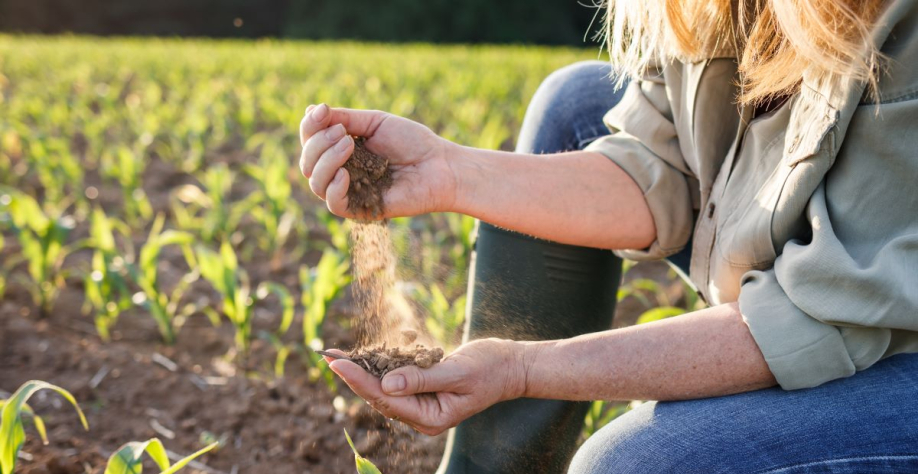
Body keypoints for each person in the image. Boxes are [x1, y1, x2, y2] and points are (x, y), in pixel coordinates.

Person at [298, 0, 918, 472]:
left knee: (628, 465)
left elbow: (819, 317)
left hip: (889, 332)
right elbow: (667, 175)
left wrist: (523, 369)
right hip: (843, 286)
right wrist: (449, 171)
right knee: (575, 105)